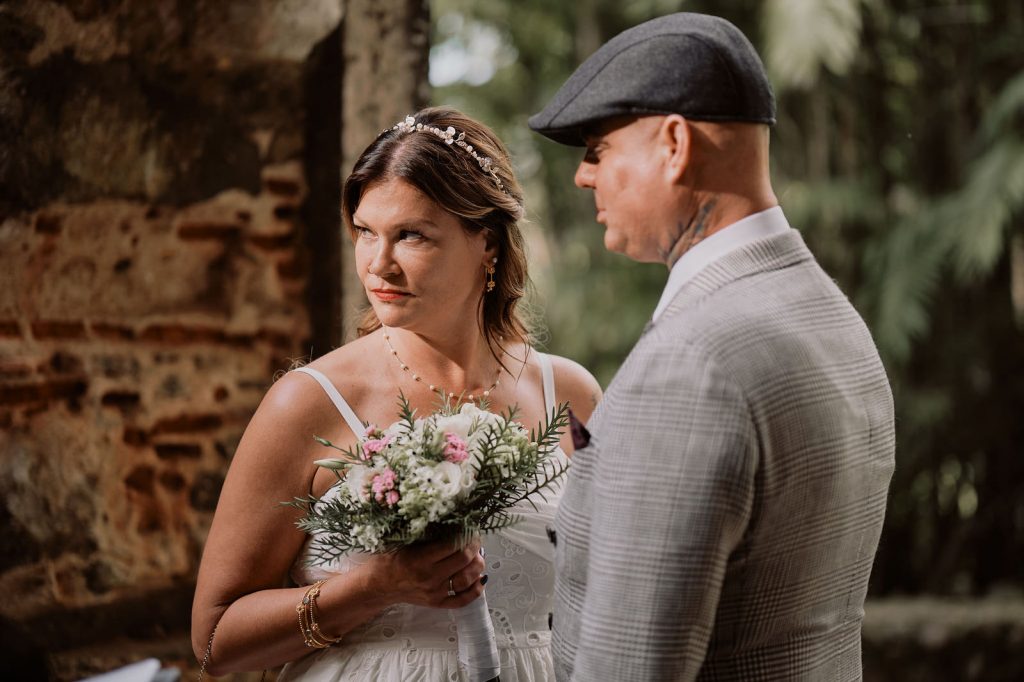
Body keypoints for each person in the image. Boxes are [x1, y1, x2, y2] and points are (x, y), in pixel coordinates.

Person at [528, 13, 895, 681]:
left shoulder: (690, 366)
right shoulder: (832, 314)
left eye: (598, 150)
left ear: (674, 144)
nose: (584, 178)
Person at [191, 106, 601, 680]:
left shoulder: (570, 395)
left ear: (487, 243)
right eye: (365, 232)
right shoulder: (307, 403)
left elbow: (609, 589)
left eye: (411, 235)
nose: (378, 265)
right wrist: (371, 589)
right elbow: (214, 640)